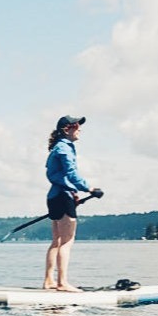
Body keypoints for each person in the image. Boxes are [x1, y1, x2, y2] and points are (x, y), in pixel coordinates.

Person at [43, 115, 102, 291]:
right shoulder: (65, 148)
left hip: (55, 196)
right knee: (67, 241)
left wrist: (73, 193)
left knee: (57, 240)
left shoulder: (57, 148)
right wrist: (90, 189)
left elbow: (61, 176)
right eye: (77, 127)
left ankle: (48, 281)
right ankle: (62, 283)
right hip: (62, 197)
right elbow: (71, 174)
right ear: (67, 129)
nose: (80, 130)